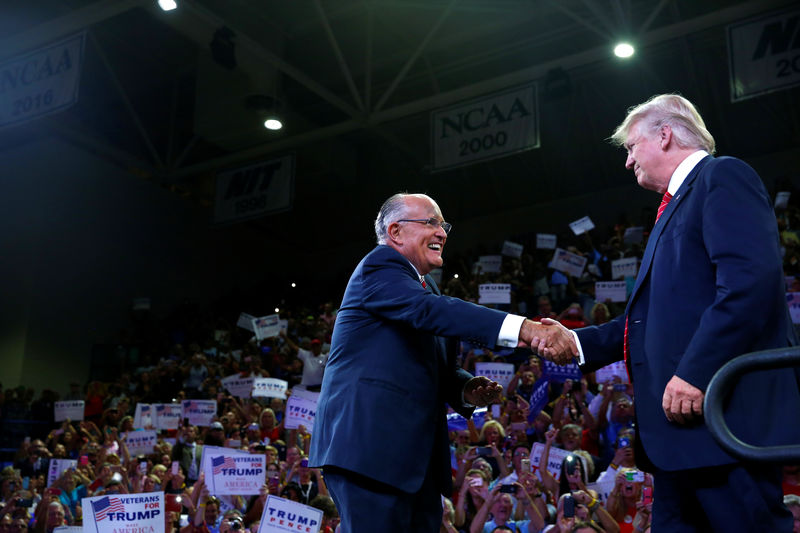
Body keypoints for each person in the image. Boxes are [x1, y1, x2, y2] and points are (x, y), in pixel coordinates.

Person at [558, 93, 800, 530]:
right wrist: (571, 341)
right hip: (678, 439)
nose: (628, 161)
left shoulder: (722, 177)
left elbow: (749, 286)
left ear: (665, 135)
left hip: (722, 422)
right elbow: (646, 320)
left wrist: (696, 372)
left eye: (631, 147)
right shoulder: (672, 208)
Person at [309, 192, 576, 532]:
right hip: (370, 449)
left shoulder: (426, 286)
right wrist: (523, 327)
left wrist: (464, 387)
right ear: (395, 232)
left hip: (413, 460)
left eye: (443, 224)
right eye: (431, 222)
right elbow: (431, 313)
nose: (442, 232)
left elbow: (430, 361)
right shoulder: (379, 267)